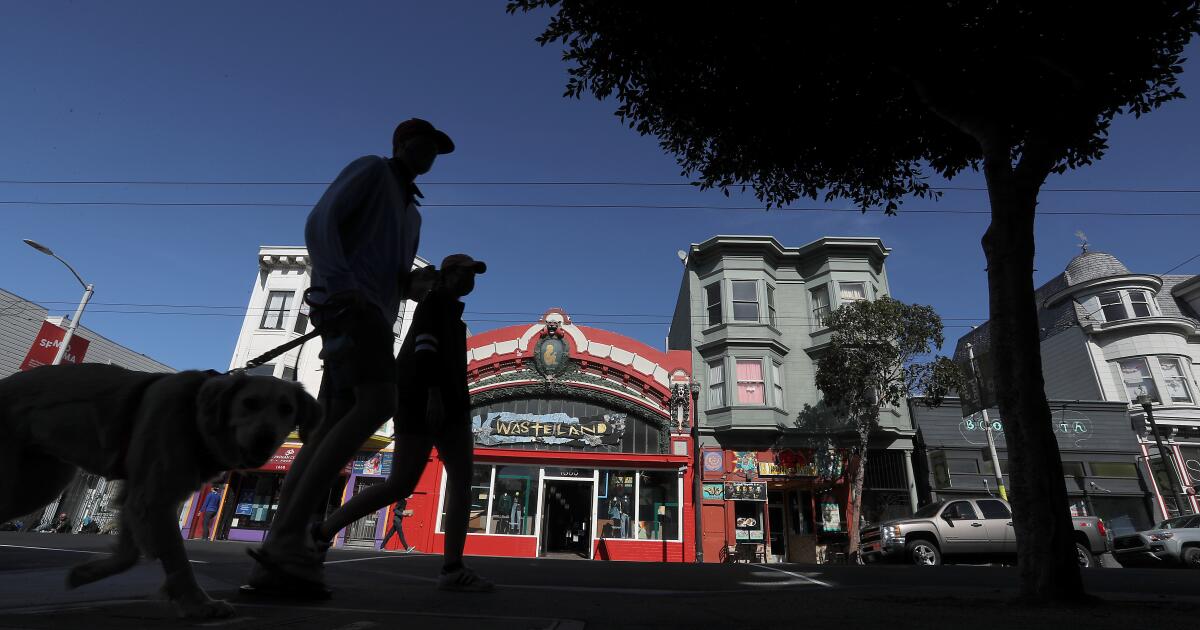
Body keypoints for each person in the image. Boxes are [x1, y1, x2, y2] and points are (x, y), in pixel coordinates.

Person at [243, 119, 454, 597]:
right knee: (380, 401)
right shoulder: (372, 172)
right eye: (422, 144)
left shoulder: (413, 215)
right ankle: (287, 543)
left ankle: (280, 549)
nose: (428, 155)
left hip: (375, 313)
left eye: (435, 151)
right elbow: (321, 223)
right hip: (348, 306)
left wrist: (417, 287)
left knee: (325, 430)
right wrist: (339, 285)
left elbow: (399, 279)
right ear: (401, 143)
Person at [314, 255, 494, 592]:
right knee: (423, 483)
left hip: (438, 403)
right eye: (465, 272)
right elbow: (426, 351)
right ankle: (323, 532)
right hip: (427, 401)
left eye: (473, 275)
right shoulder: (434, 305)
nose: (470, 280)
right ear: (447, 274)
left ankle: (324, 532)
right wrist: (435, 395)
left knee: (441, 482)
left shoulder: (449, 312)